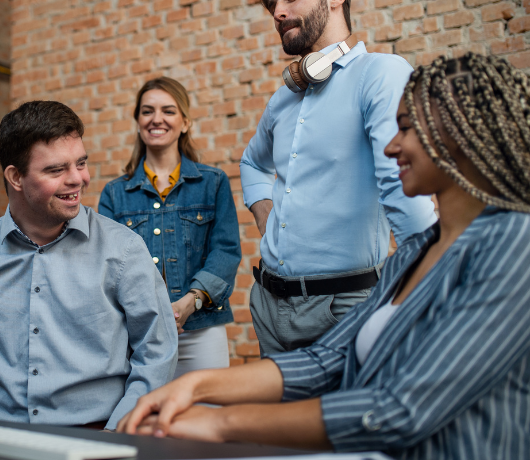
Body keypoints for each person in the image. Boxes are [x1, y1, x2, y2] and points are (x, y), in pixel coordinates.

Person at [117, 53, 530, 458]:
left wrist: (220, 422)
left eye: (405, 128)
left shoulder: (515, 245)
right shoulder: (414, 253)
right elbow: (327, 358)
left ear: (456, 133)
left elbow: (399, 409)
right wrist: (198, 386)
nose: (390, 147)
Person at [0, 101, 178, 430]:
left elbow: (156, 354)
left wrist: (115, 438)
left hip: (100, 437)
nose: (79, 179)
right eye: (56, 170)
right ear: (15, 177)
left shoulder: (124, 250)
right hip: (3, 438)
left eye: (81, 163)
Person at [241, 0, 437, 355]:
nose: (277, 12)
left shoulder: (381, 74)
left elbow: (403, 187)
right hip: (267, 306)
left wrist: (431, 289)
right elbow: (252, 163)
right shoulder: (282, 100)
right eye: (272, 4)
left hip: (344, 308)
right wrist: (263, 211)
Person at [99, 77, 241, 379]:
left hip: (201, 330)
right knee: (143, 422)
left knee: (205, 419)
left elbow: (226, 251)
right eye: (147, 111)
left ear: (185, 122)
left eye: (168, 110)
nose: (157, 119)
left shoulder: (213, 183)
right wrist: (149, 313)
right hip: (139, 335)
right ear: (138, 121)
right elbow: (107, 267)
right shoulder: (114, 194)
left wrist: (191, 302)